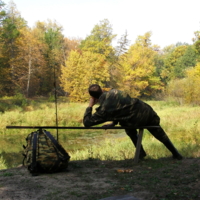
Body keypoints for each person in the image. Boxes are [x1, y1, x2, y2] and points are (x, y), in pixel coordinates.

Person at [83, 84, 183, 160]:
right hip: (147, 111)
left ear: (94, 98)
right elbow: (123, 108)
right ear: (102, 89)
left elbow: (87, 122)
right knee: (158, 132)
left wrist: (90, 106)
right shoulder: (115, 91)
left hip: (135, 120)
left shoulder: (103, 109)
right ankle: (176, 154)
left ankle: (141, 153)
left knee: (129, 128)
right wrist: (113, 123)